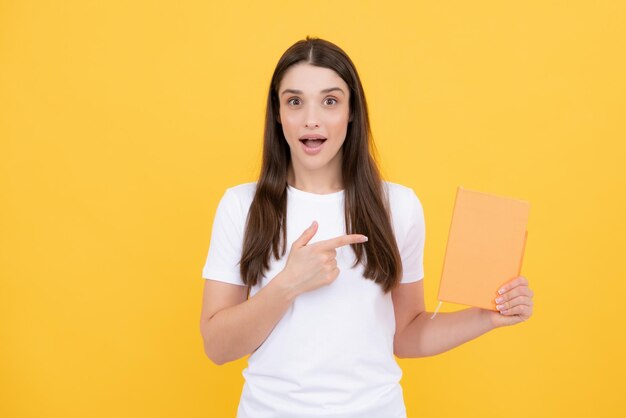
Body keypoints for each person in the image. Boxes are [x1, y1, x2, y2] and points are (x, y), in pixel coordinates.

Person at [199, 36, 534, 418]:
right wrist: (287, 285)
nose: (312, 118)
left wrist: (487, 316)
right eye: (295, 101)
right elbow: (217, 348)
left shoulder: (398, 207)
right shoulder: (241, 206)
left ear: (351, 111)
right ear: (277, 113)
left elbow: (406, 332)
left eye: (330, 101)